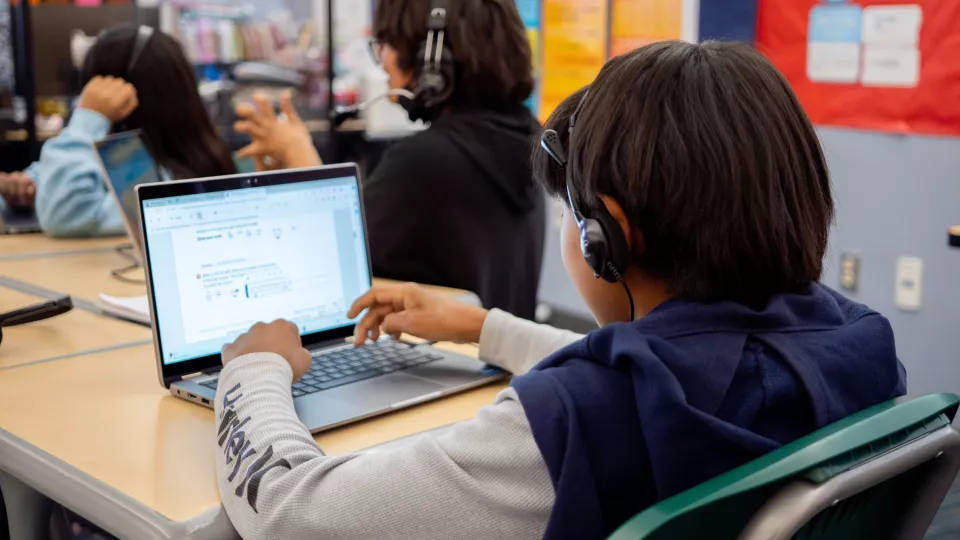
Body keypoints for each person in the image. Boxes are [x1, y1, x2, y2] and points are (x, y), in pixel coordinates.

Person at [213, 41, 907, 540]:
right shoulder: (856, 343)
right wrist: (486, 328)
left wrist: (253, 369)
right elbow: (668, 373)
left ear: (610, 233)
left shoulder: (568, 423)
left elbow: (291, 513)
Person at [235, 0, 546, 319]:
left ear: (432, 59)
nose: (381, 61)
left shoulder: (426, 161)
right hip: (501, 363)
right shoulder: (528, 137)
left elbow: (332, 269)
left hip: (439, 362)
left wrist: (297, 153)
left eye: (385, 43)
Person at [0, 25, 235, 237]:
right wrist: (23, 192)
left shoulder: (170, 184)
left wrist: (88, 120)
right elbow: (49, 178)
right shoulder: (136, 155)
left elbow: (66, 215)